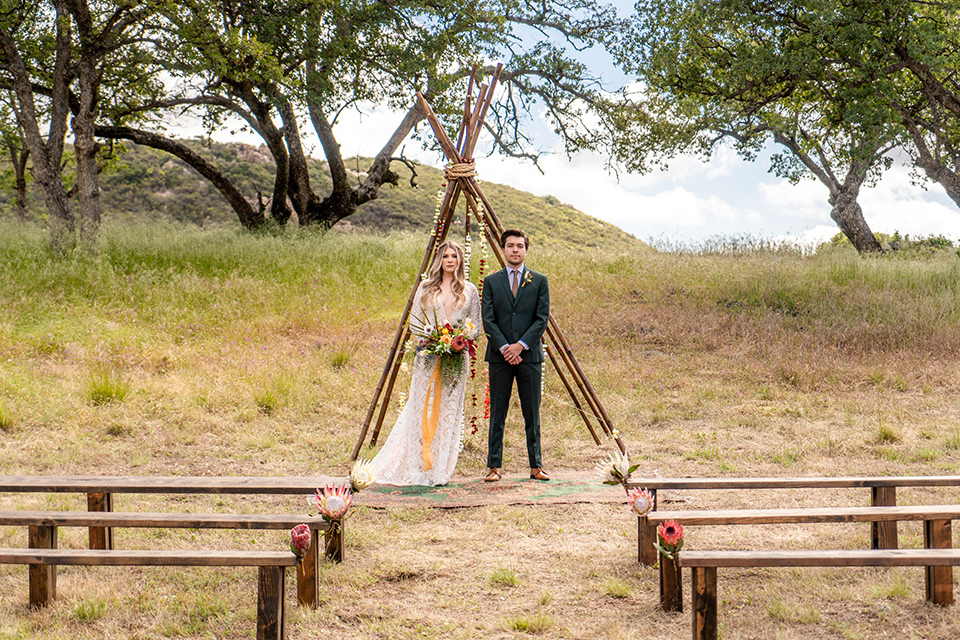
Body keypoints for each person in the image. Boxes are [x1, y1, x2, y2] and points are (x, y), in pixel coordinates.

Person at [371, 241, 481, 486]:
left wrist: (461, 339)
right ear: (439, 260)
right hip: (429, 357)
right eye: (445, 256)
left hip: (455, 359)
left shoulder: (469, 290)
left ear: (460, 260)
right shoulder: (426, 287)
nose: (450, 260)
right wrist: (430, 340)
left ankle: (439, 468)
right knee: (422, 407)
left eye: (454, 256)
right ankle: (417, 465)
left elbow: (476, 324)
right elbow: (415, 323)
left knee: (449, 410)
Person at [481, 228, 550, 482]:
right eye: (510, 246)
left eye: (520, 246)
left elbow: (542, 319)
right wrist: (505, 348)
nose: (515, 250)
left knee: (532, 413)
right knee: (498, 412)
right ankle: (494, 467)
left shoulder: (539, 280)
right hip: (500, 357)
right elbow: (488, 319)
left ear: (526, 250)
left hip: (529, 357)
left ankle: (536, 466)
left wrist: (520, 346)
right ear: (503, 249)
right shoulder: (491, 281)